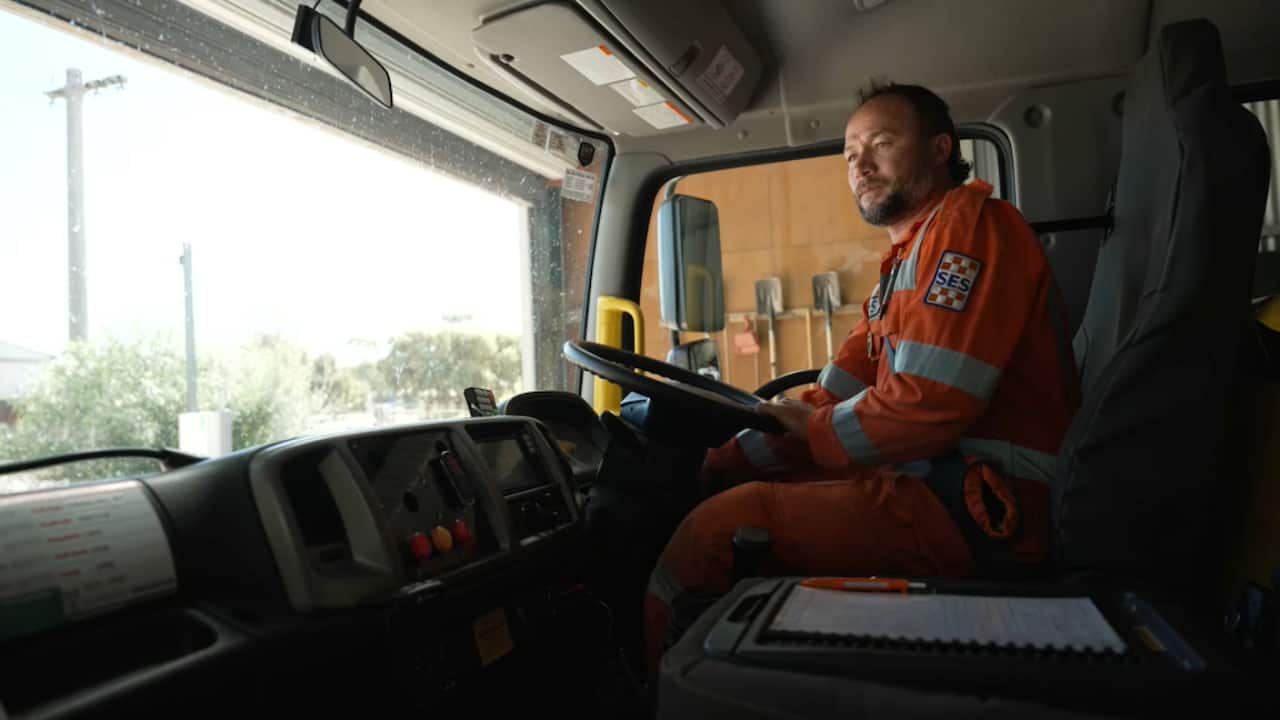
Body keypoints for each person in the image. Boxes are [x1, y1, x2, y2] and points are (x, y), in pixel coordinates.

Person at [642, 81, 1080, 675]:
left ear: (939, 150)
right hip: (934, 481)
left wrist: (795, 440)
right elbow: (833, 397)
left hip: (985, 507)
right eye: (850, 154)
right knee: (732, 497)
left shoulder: (970, 227)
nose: (861, 165)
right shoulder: (903, 264)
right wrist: (725, 459)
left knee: (714, 535)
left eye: (882, 143)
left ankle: (652, 690)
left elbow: (927, 407)